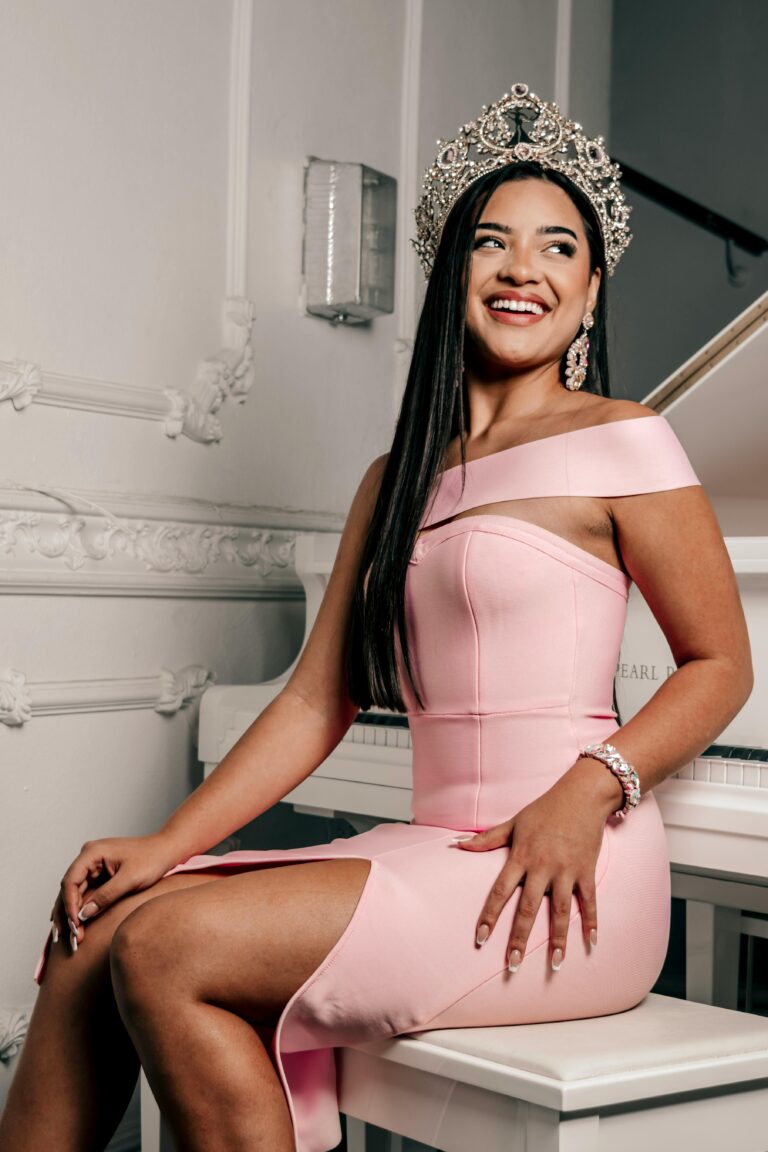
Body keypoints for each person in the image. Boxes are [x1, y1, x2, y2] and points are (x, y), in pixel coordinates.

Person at [1, 83, 752, 1152]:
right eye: (491, 243)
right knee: (93, 934)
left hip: (565, 872)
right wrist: (165, 844)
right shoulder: (392, 480)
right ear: (454, 276)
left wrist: (592, 789)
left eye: (557, 248)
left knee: (167, 951)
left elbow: (721, 662)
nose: (521, 269)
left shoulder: (625, 441)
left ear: (590, 294)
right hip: (432, 849)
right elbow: (318, 700)